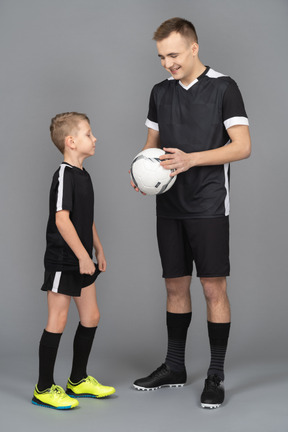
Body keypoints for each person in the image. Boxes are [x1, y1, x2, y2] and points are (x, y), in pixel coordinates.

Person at [131, 18, 251, 409]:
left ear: (194, 48)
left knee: (213, 288)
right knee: (174, 287)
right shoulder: (159, 92)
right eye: (162, 57)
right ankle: (175, 366)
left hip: (209, 204)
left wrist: (192, 160)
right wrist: (141, 172)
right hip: (169, 205)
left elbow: (242, 146)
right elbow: (151, 145)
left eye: (174, 54)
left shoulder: (224, 87)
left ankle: (215, 374)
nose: (168, 63)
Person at [32, 112, 115, 410]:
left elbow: (85, 220)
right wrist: (82, 256)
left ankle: (77, 380)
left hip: (84, 260)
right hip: (63, 259)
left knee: (91, 317)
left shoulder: (84, 175)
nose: (95, 139)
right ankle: (43, 388)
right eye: (89, 134)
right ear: (71, 141)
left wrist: (98, 250)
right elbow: (62, 220)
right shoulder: (65, 174)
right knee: (58, 319)